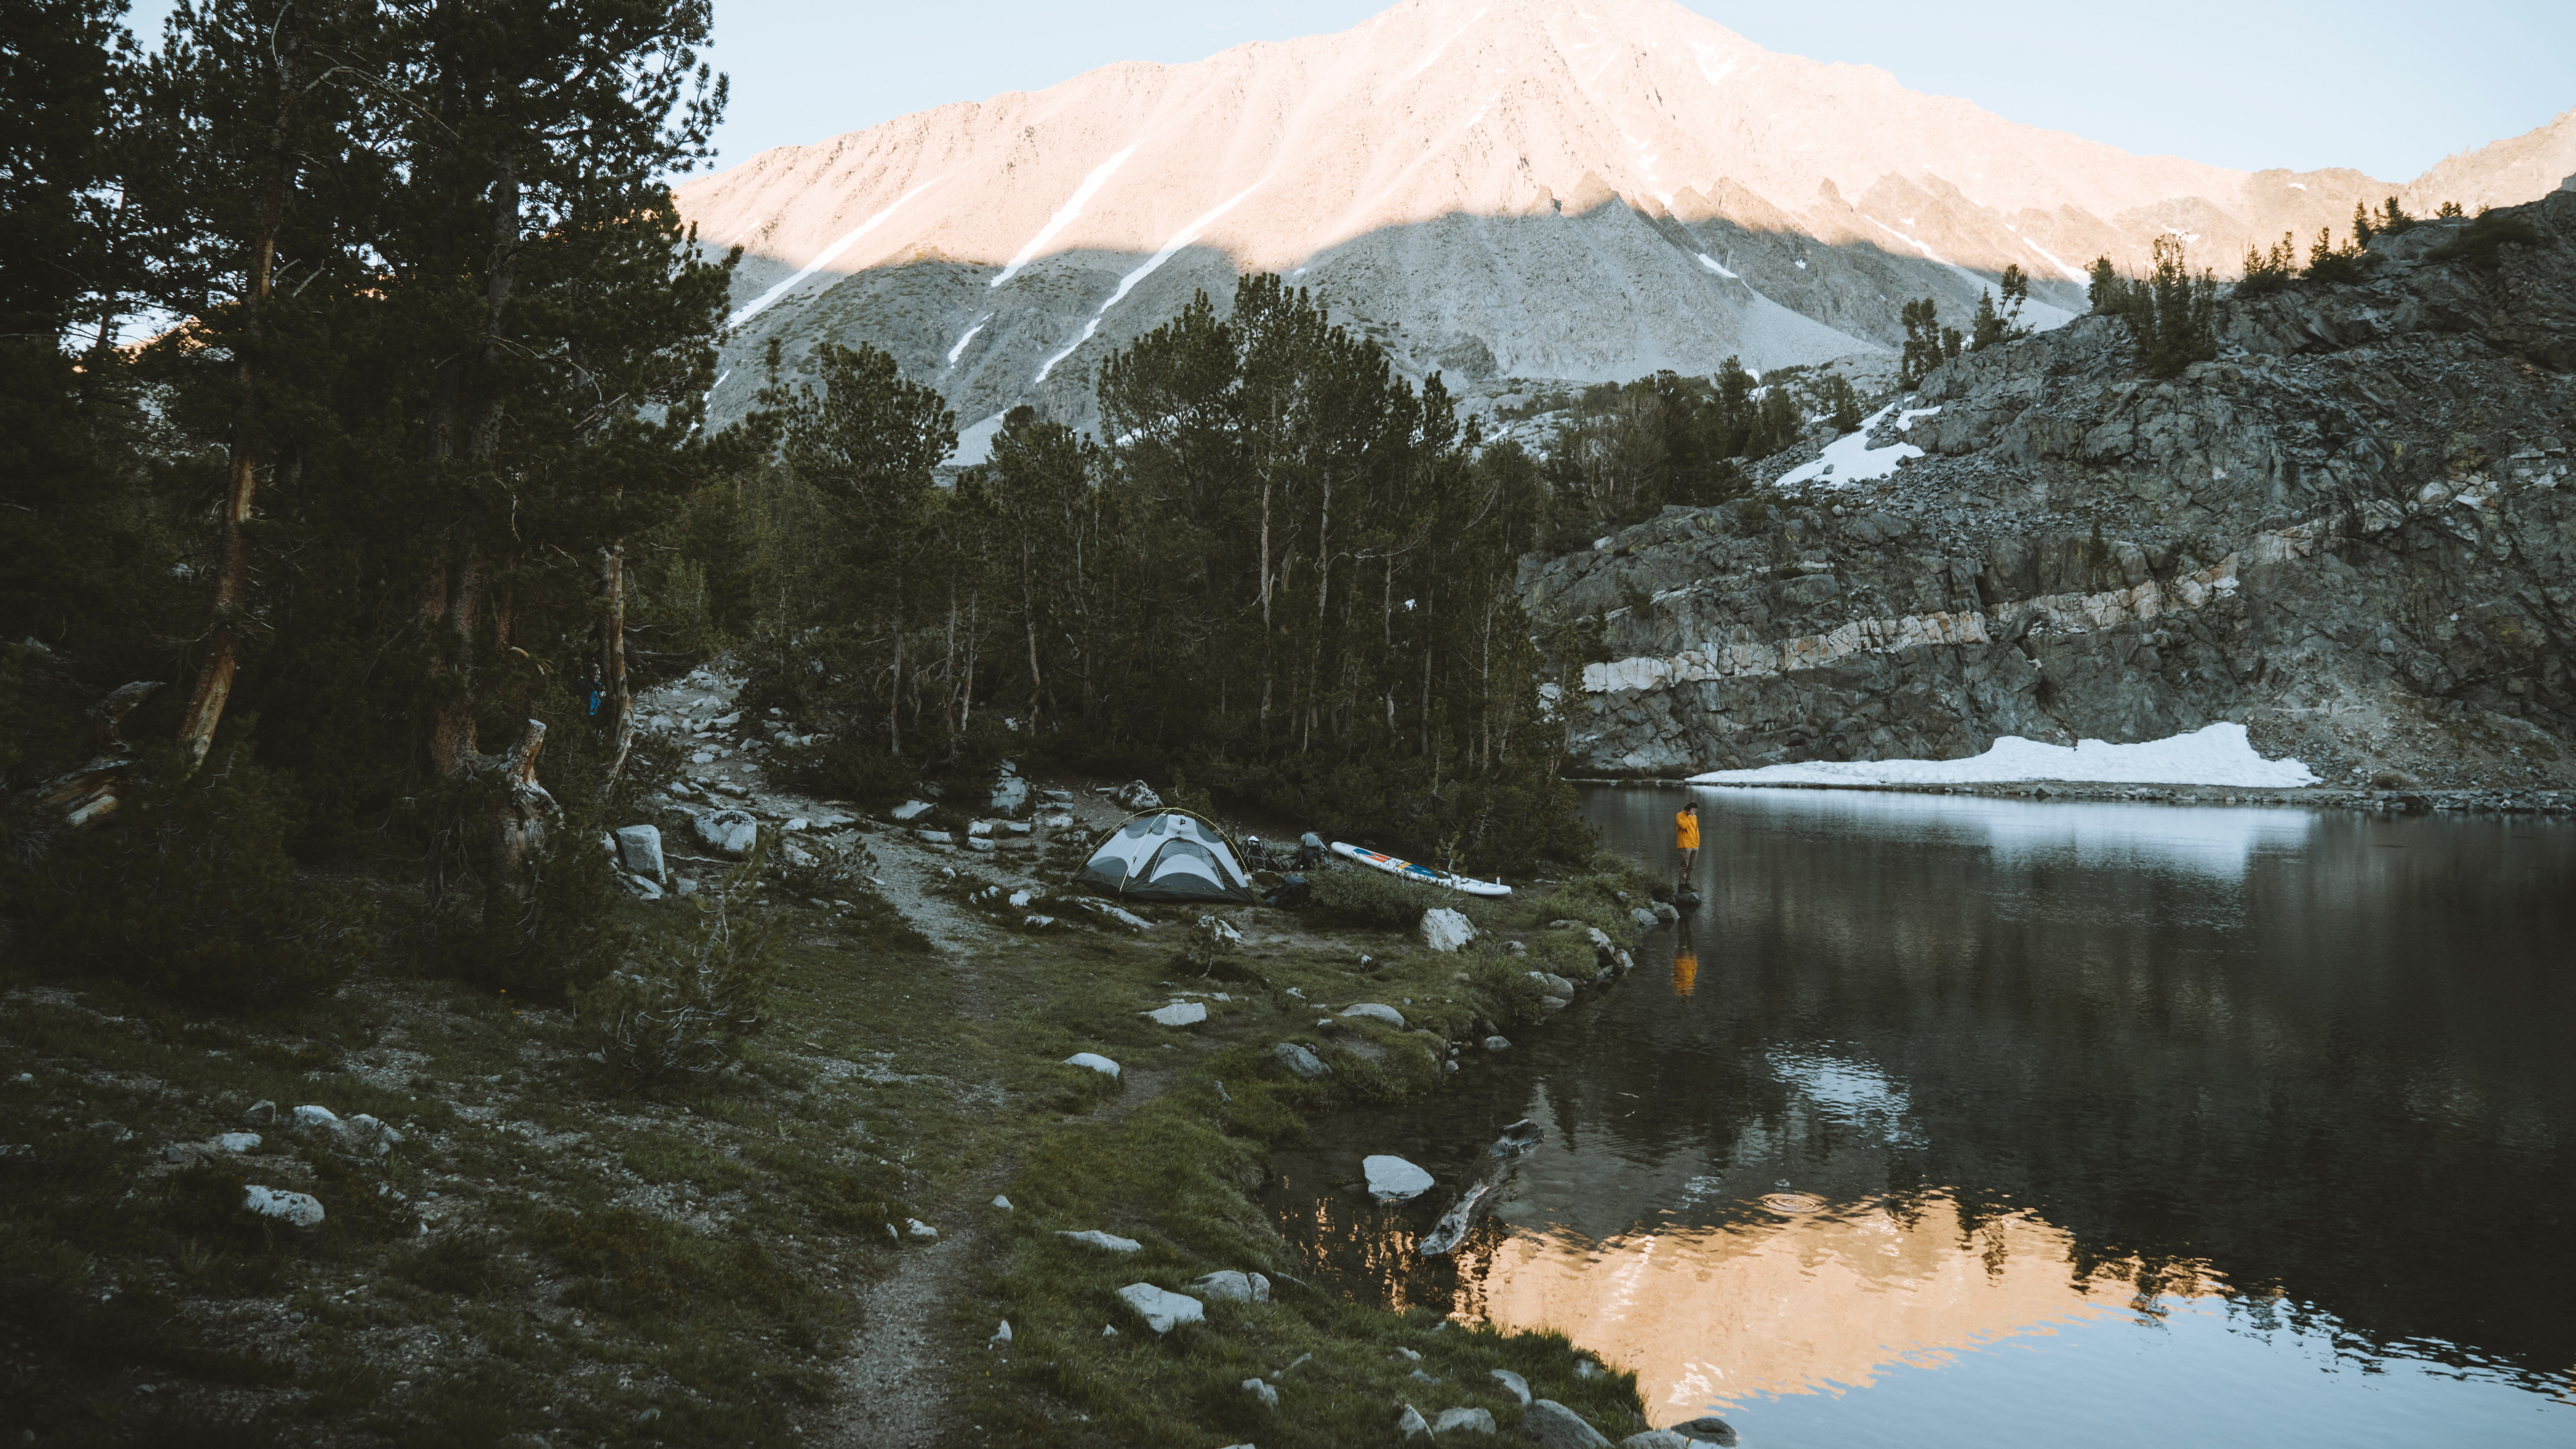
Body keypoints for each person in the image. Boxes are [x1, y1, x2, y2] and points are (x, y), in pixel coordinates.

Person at [1674, 800, 1700, 884]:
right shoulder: (1680, 816)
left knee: (1692, 867)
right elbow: (1683, 826)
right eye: (1694, 811)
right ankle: (1682, 886)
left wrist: (1697, 843)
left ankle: (1688, 884)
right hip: (1685, 846)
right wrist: (1690, 816)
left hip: (1695, 846)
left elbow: (1696, 831)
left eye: (1695, 811)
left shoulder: (1695, 817)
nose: (1695, 813)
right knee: (1684, 867)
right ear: (1689, 810)